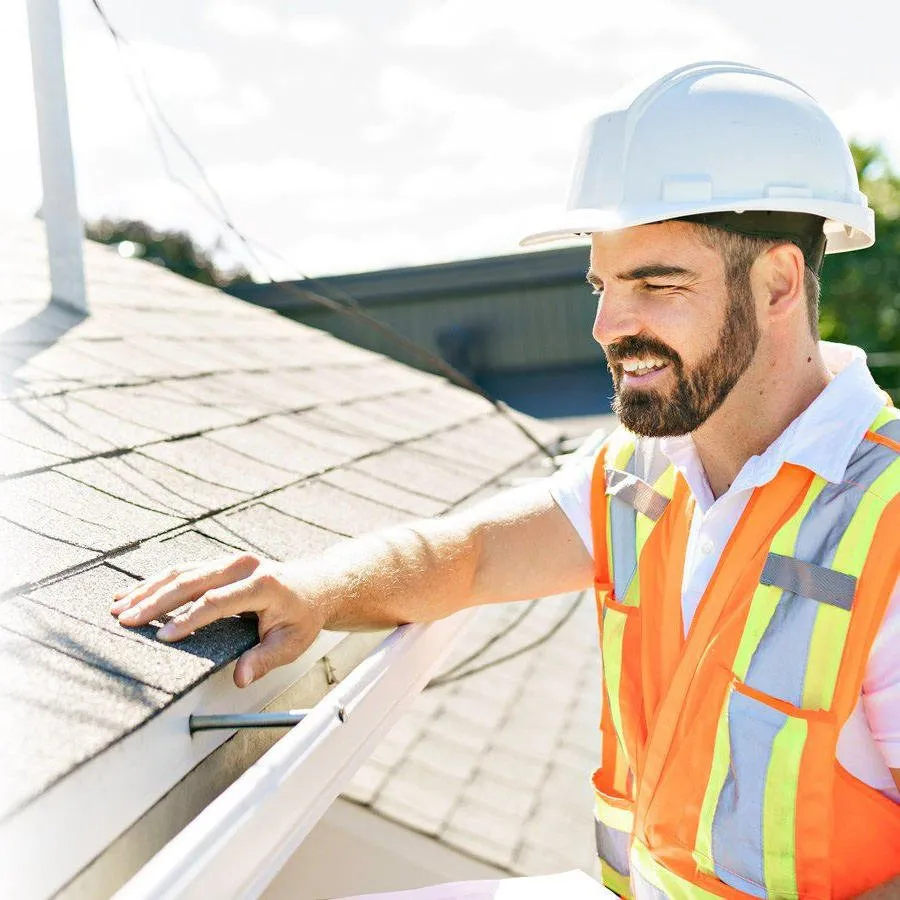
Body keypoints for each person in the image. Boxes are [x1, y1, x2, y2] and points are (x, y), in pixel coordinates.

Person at [111, 61, 900, 898]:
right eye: (602, 284)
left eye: (656, 285)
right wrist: (310, 589)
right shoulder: (643, 474)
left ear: (778, 282)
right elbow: (474, 556)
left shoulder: (883, 522)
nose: (607, 325)